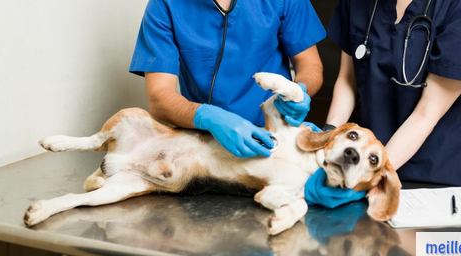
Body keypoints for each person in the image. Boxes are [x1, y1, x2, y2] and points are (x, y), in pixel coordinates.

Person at [322, 0, 461, 189]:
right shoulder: (358, 4)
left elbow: (427, 113)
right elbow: (347, 81)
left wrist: (369, 177)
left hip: (436, 174)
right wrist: (326, 141)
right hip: (363, 161)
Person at [129, 0, 326, 158]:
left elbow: (310, 66)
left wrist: (299, 92)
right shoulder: (164, 5)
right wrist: (208, 117)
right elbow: (160, 98)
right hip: (205, 142)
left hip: (276, 135)